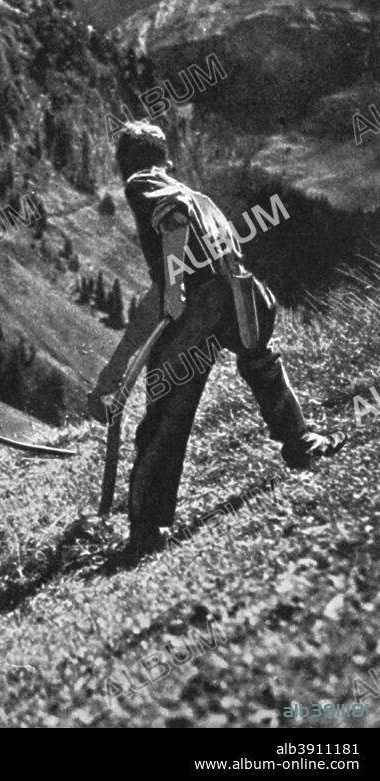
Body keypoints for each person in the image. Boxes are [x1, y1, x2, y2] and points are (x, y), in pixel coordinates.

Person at [87, 122, 346, 559]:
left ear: (126, 163)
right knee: (261, 364)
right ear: (167, 159)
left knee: (166, 412)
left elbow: (171, 221)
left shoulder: (142, 181)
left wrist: (174, 290)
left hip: (202, 305)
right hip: (244, 294)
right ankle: (302, 442)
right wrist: (113, 373)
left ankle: (146, 532)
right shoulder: (200, 197)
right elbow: (163, 292)